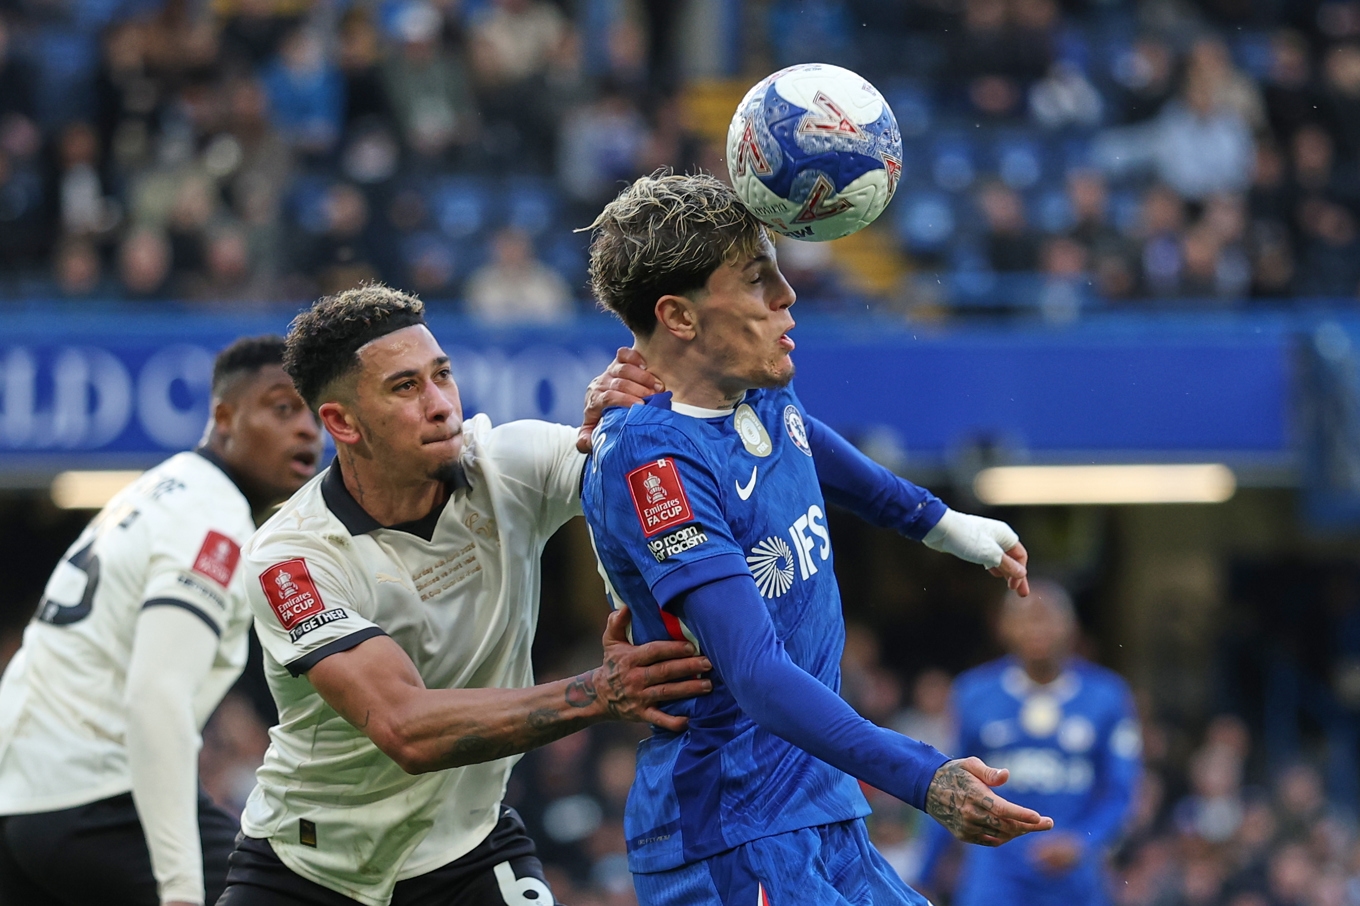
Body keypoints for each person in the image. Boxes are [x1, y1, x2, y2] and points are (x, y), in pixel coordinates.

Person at [577, 171, 1052, 906]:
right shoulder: (653, 461)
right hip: (731, 829)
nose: (787, 296)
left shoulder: (758, 386)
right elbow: (758, 674)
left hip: (817, 803)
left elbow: (804, 442)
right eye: (757, 278)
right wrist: (923, 776)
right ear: (678, 316)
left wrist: (939, 522)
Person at [218, 284, 712, 906]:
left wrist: (627, 416)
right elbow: (407, 730)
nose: (441, 405)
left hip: (469, 852)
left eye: (442, 375)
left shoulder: (508, 465)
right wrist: (599, 694)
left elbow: (635, 468)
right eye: (405, 388)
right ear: (342, 423)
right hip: (305, 871)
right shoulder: (292, 557)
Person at [0, 336, 325, 906]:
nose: (307, 430)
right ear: (223, 418)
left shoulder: (153, 489)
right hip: (94, 797)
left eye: (315, 413)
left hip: (21, 798)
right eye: (282, 407)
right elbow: (156, 699)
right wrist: (179, 888)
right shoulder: (212, 523)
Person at [920, 580, 1141, 906]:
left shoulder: (1108, 696)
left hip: (1074, 874)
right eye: (1026, 617)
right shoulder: (973, 694)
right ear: (1004, 627)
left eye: (1048, 617)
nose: (1038, 628)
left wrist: (1083, 840)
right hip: (994, 873)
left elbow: (1121, 791)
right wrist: (924, 874)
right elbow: (945, 785)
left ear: (1073, 626)